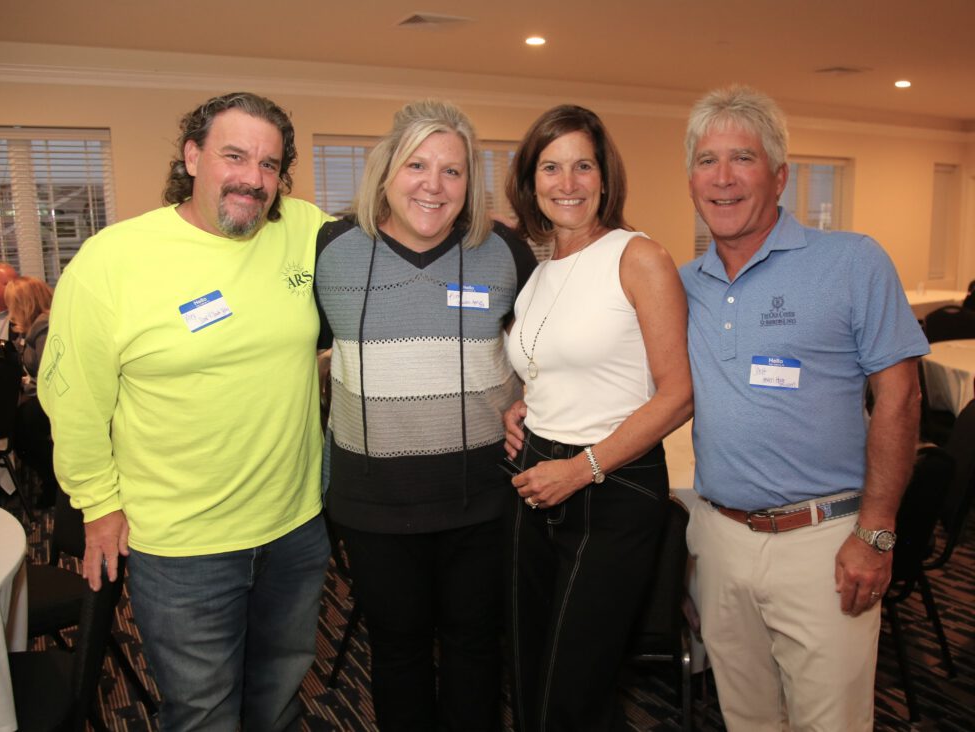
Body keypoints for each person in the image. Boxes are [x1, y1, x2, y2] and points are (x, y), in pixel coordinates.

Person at [41, 92, 331, 731]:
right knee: (203, 714)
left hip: (294, 530)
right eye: (235, 156)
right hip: (183, 549)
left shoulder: (305, 230)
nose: (253, 178)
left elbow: (394, 245)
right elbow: (75, 399)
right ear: (192, 156)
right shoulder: (113, 260)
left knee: (278, 701)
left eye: (269, 164)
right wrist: (97, 503)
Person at [680, 85, 929, 731]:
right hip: (719, 539)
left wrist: (876, 532)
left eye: (743, 158)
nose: (723, 178)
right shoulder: (682, 286)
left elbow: (901, 396)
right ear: (691, 180)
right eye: (707, 161)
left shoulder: (851, 261)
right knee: (747, 719)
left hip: (825, 543)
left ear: (780, 176)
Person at [314, 99, 537, 731]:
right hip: (374, 502)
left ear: (470, 183)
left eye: (452, 170)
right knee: (397, 650)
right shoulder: (331, 250)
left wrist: (532, 397)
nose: (433, 185)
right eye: (417, 165)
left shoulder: (504, 251)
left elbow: (545, 346)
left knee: (474, 648)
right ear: (387, 169)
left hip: (482, 497)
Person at [501, 105, 692, 731]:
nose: (568, 183)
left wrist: (580, 469)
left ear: (605, 177)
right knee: (529, 665)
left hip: (611, 484)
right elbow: (551, 363)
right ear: (531, 182)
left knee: (573, 685)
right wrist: (524, 406)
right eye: (550, 168)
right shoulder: (540, 271)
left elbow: (678, 394)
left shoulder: (638, 256)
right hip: (536, 473)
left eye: (583, 166)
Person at [4, 276, 57, 506]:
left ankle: (53, 480)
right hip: (45, 395)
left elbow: (50, 373)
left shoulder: (43, 326)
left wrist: (26, 387)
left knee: (20, 428)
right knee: (16, 420)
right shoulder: (38, 324)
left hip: (54, 399)